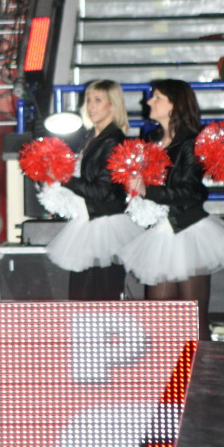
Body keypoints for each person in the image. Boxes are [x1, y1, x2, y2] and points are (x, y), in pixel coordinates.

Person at [121, 80, 224, 341]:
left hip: (187, 230)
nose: (149, 102)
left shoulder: (192, 142)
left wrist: (148, 191)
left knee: (193, 320)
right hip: (162, 231)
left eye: (157, 97)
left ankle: (199, 368)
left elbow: (192, 192)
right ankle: (169, 368)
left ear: (175, 105)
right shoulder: (150, 139)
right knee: (159, 319)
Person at [44, 80, 141, 300]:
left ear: (113, 105)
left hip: (104, 224)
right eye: (88, 100)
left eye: (98, 100)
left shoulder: (112, 140)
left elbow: (103, 191)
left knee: (99, 299)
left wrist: (65, 178)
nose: (91, 106)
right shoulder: (92, 138)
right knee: (85, 299)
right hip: (90, 221)